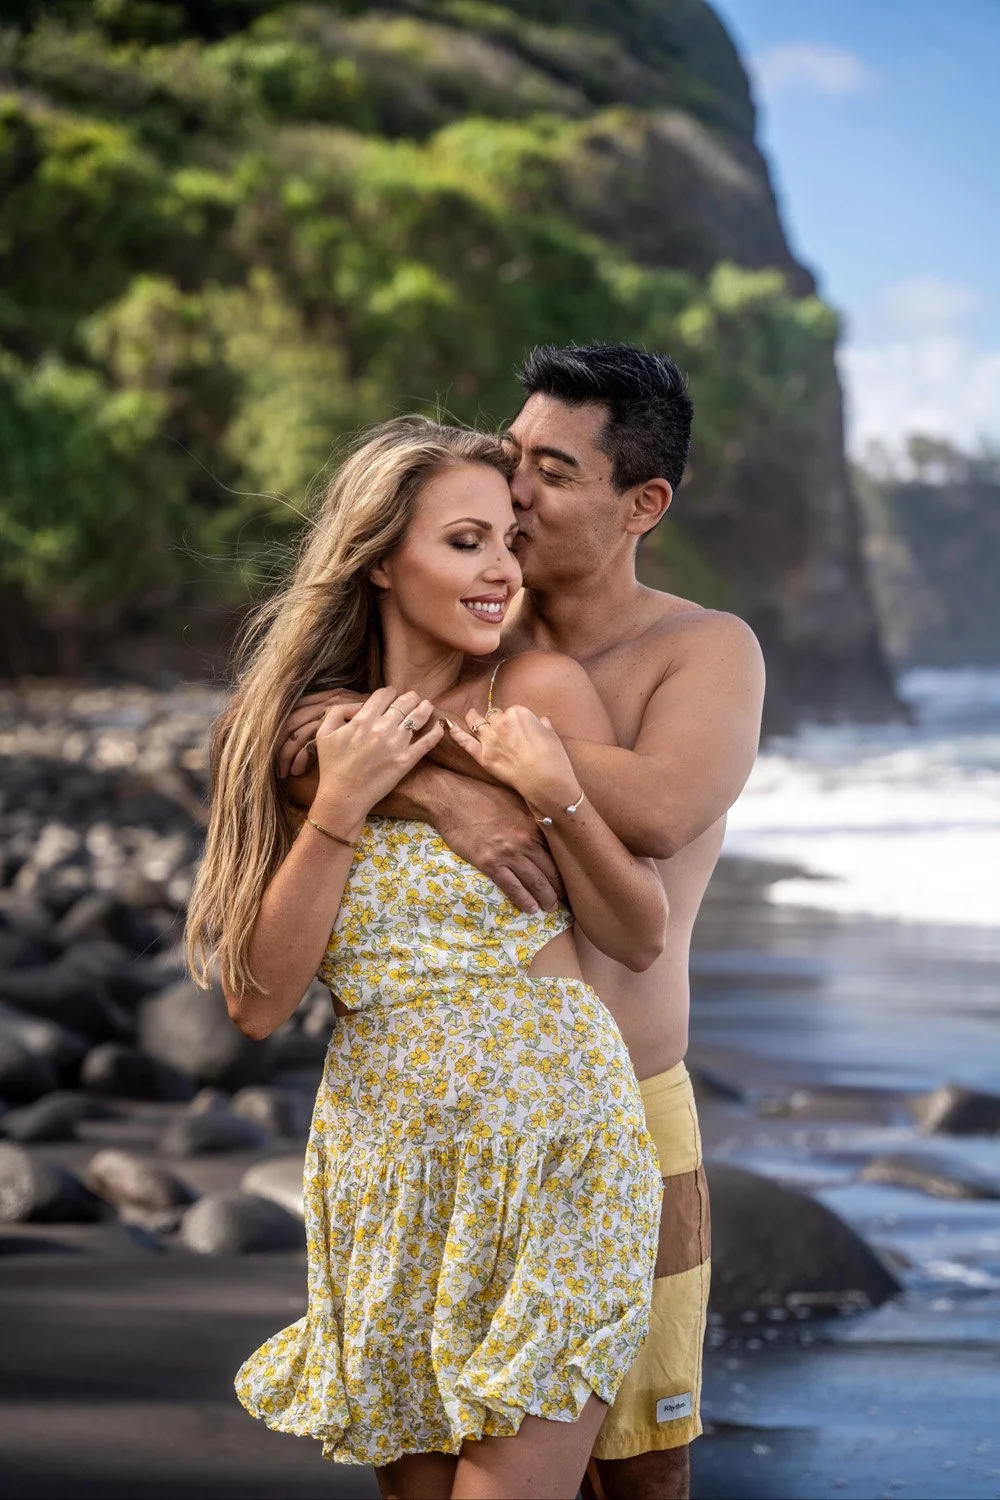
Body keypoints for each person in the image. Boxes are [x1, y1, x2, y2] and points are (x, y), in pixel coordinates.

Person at [277, 345, 766, 1500]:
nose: (517, 493)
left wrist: (446, 749)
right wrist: (439, 788)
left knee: (641, 1471)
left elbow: (661, 807)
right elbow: (289, 731)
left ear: (642, 504)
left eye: (553, 471)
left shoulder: (700, 649)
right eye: (512, 460)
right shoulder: (468, 620)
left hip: (627, 1112)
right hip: (457, 1126)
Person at [185, 417, 668, 1500]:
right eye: (465, 542)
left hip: (558, 1155)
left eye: (507, 542)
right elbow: (257, 1006)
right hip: (388, 1171)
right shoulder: (299, 738)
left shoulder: (534, 695)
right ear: (378, 560)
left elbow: (636, 933)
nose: (502, 570)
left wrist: (558, 794)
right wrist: (346, 803)